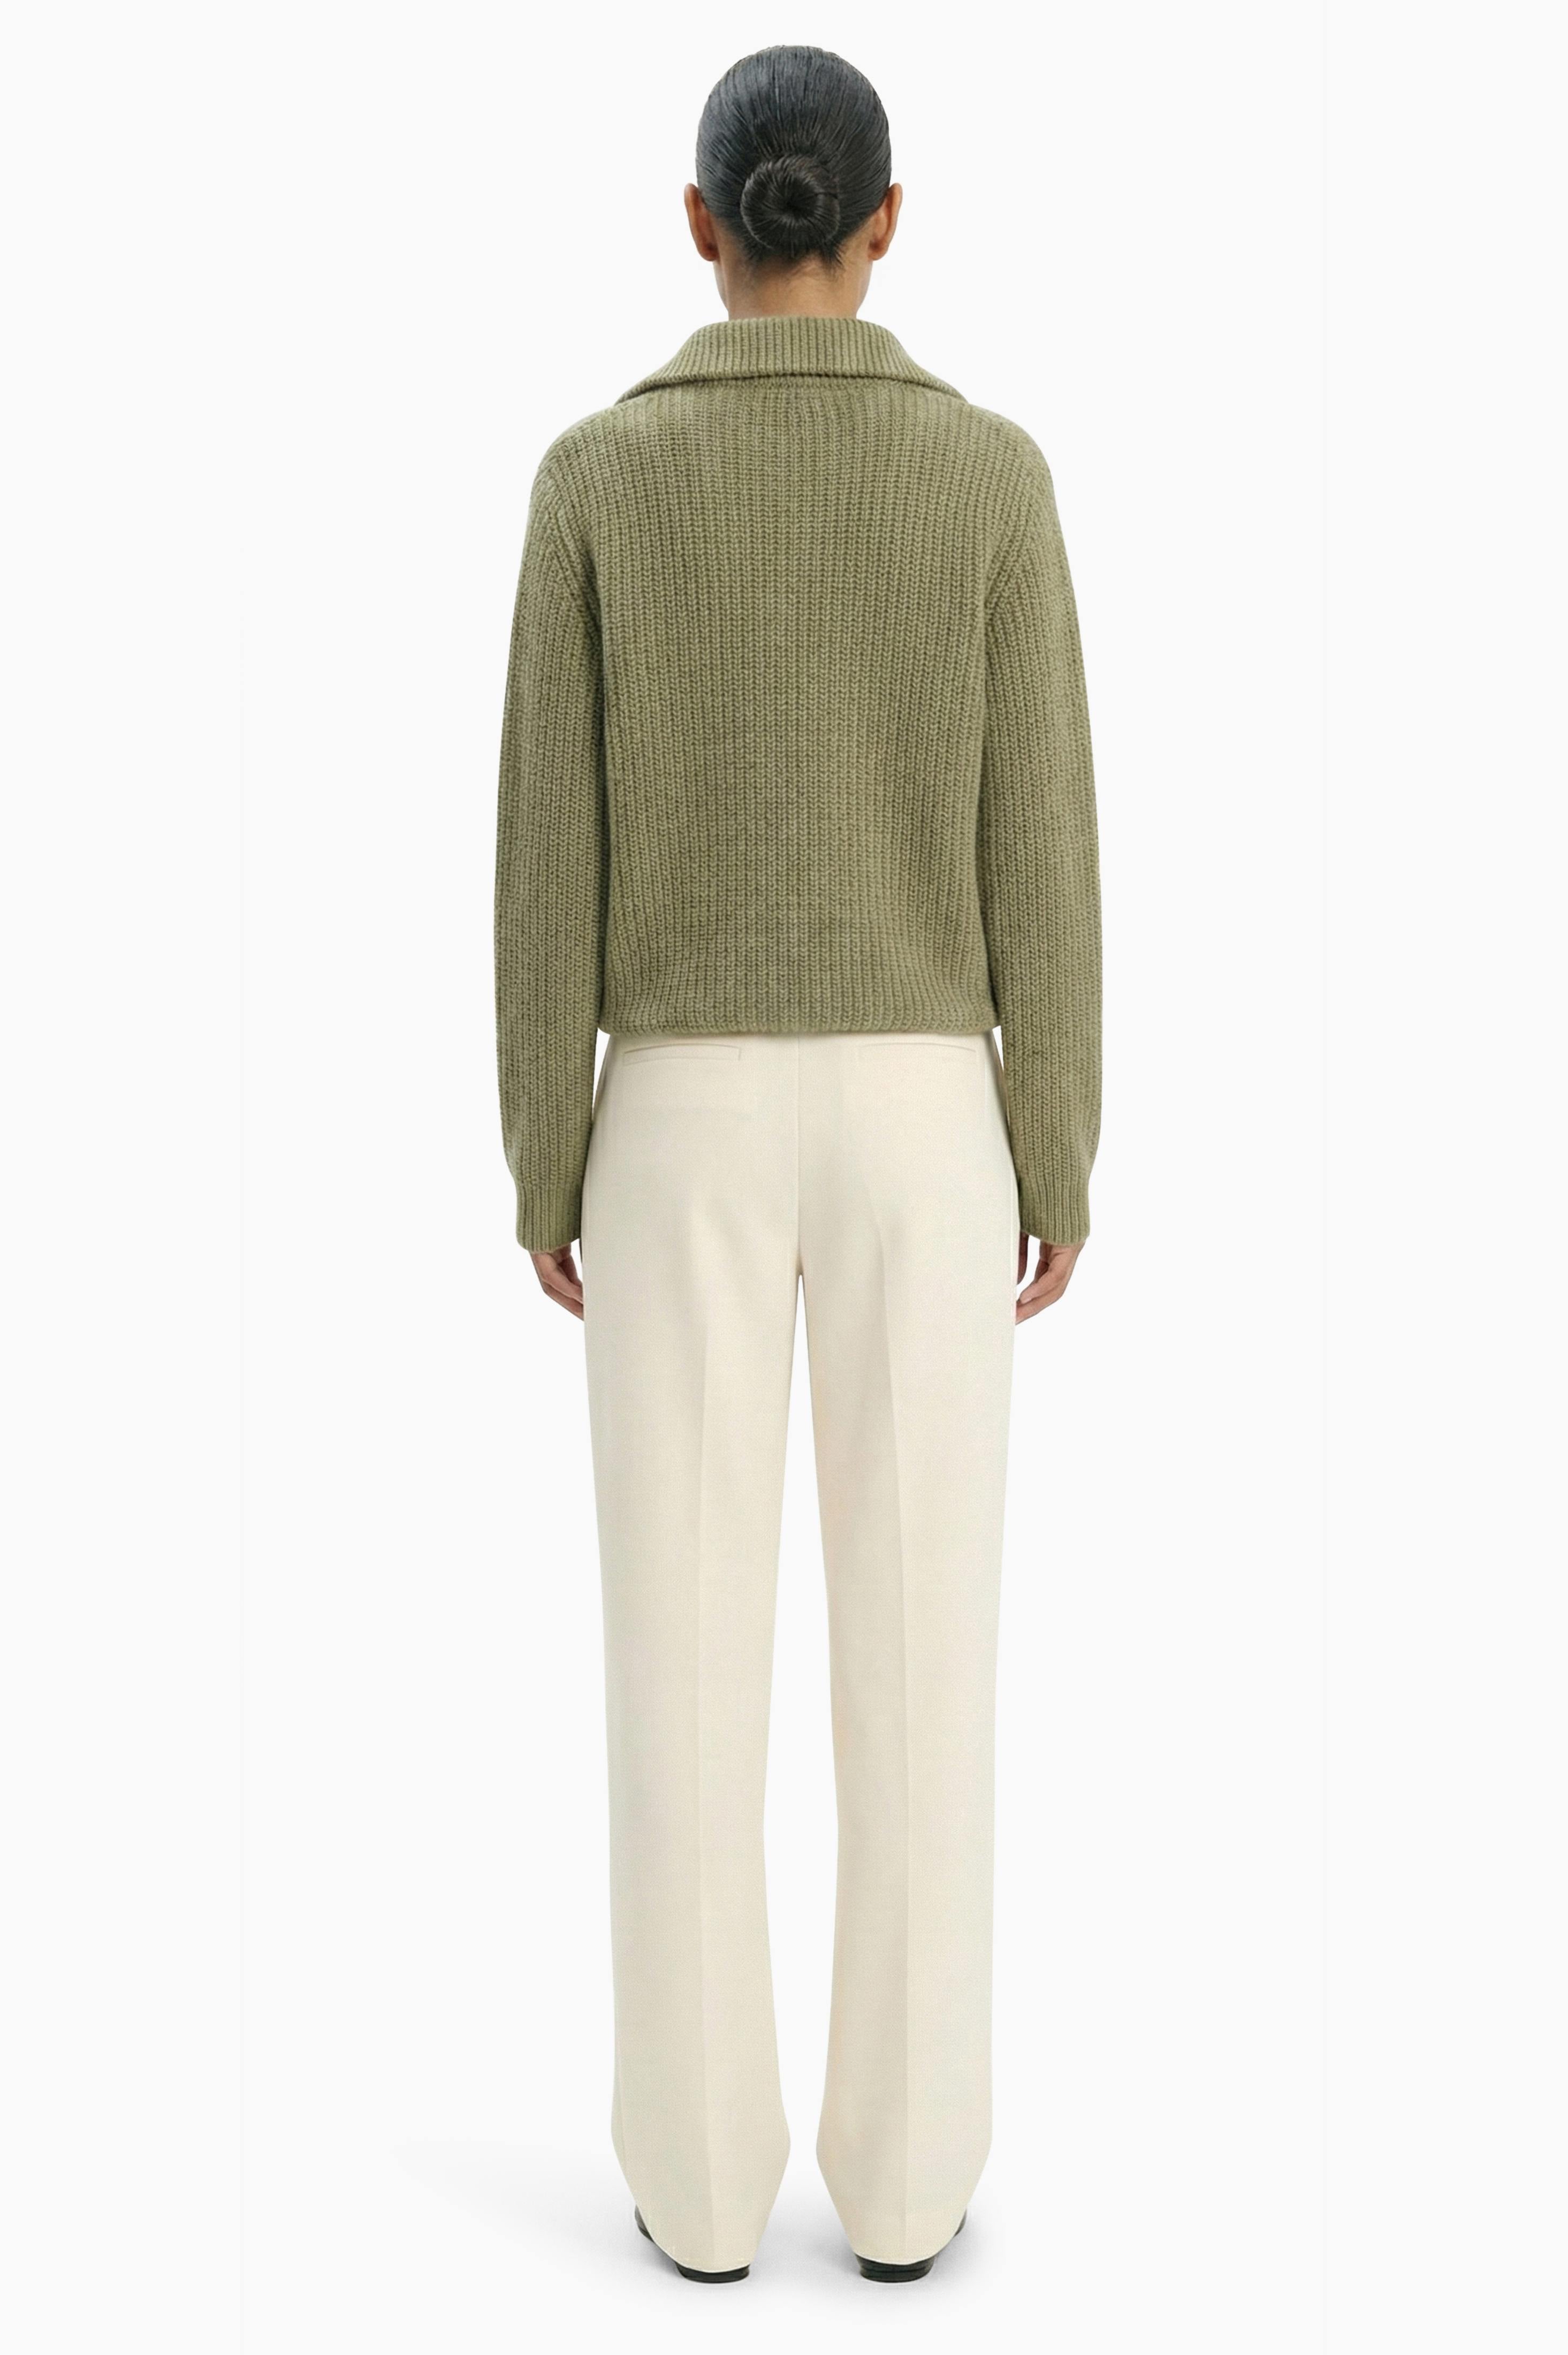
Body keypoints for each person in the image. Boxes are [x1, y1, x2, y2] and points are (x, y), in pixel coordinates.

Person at [494, 43, 1100, 2287]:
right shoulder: (991, 479)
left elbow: (542, 852)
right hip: (931, 1115)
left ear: (698, 225)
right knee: (924, 1650)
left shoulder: (595, 478)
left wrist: (542, 1147)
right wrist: (1057, 1141)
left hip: (672, 1114)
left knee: (676, 1652)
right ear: (885, 220)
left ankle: (697, 2183)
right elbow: (1043, 845)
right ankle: (912, 2182)